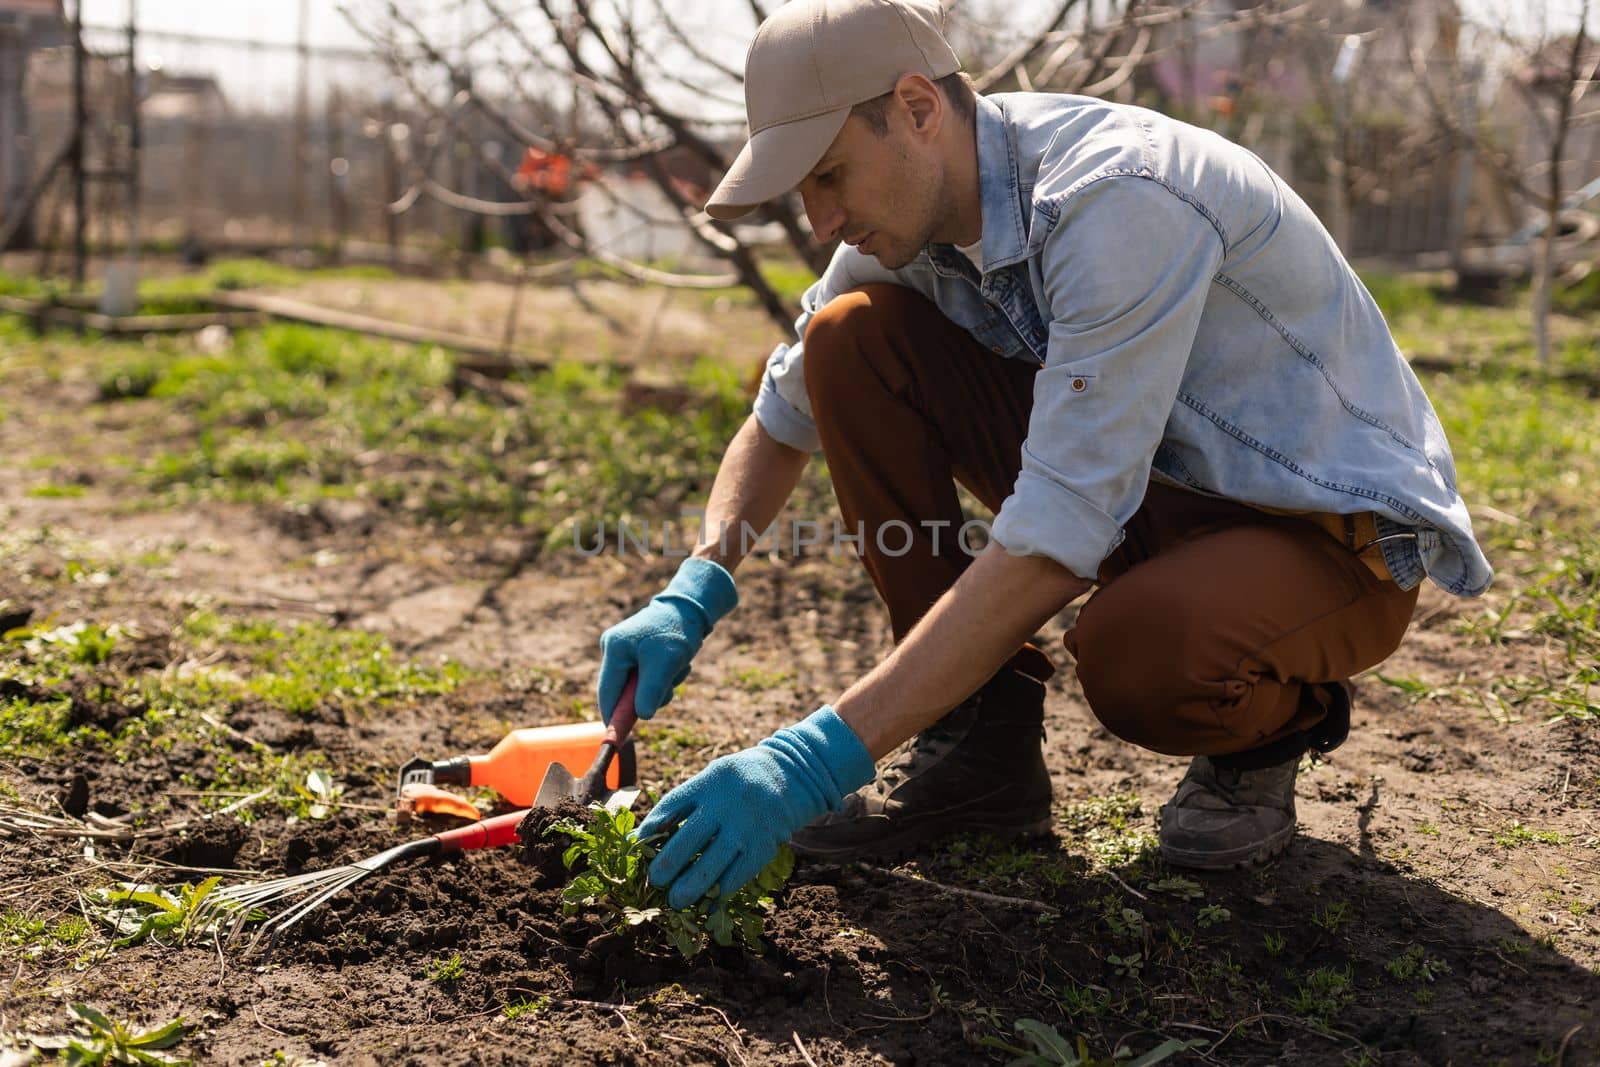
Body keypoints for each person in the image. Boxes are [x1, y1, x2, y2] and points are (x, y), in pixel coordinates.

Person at [595, 0, 1492, 910]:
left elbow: (1056, 530)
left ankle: (1268, 729)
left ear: (917, 108)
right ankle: (979, 750)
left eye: (831, 176)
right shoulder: (915, 220)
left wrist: (809, 760)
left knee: (1142, 654)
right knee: (847, 340)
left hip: (1315, 534)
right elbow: (782, 414)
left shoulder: (1117, 200)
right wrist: (693, 587)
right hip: (1154, 491)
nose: (822, 220)